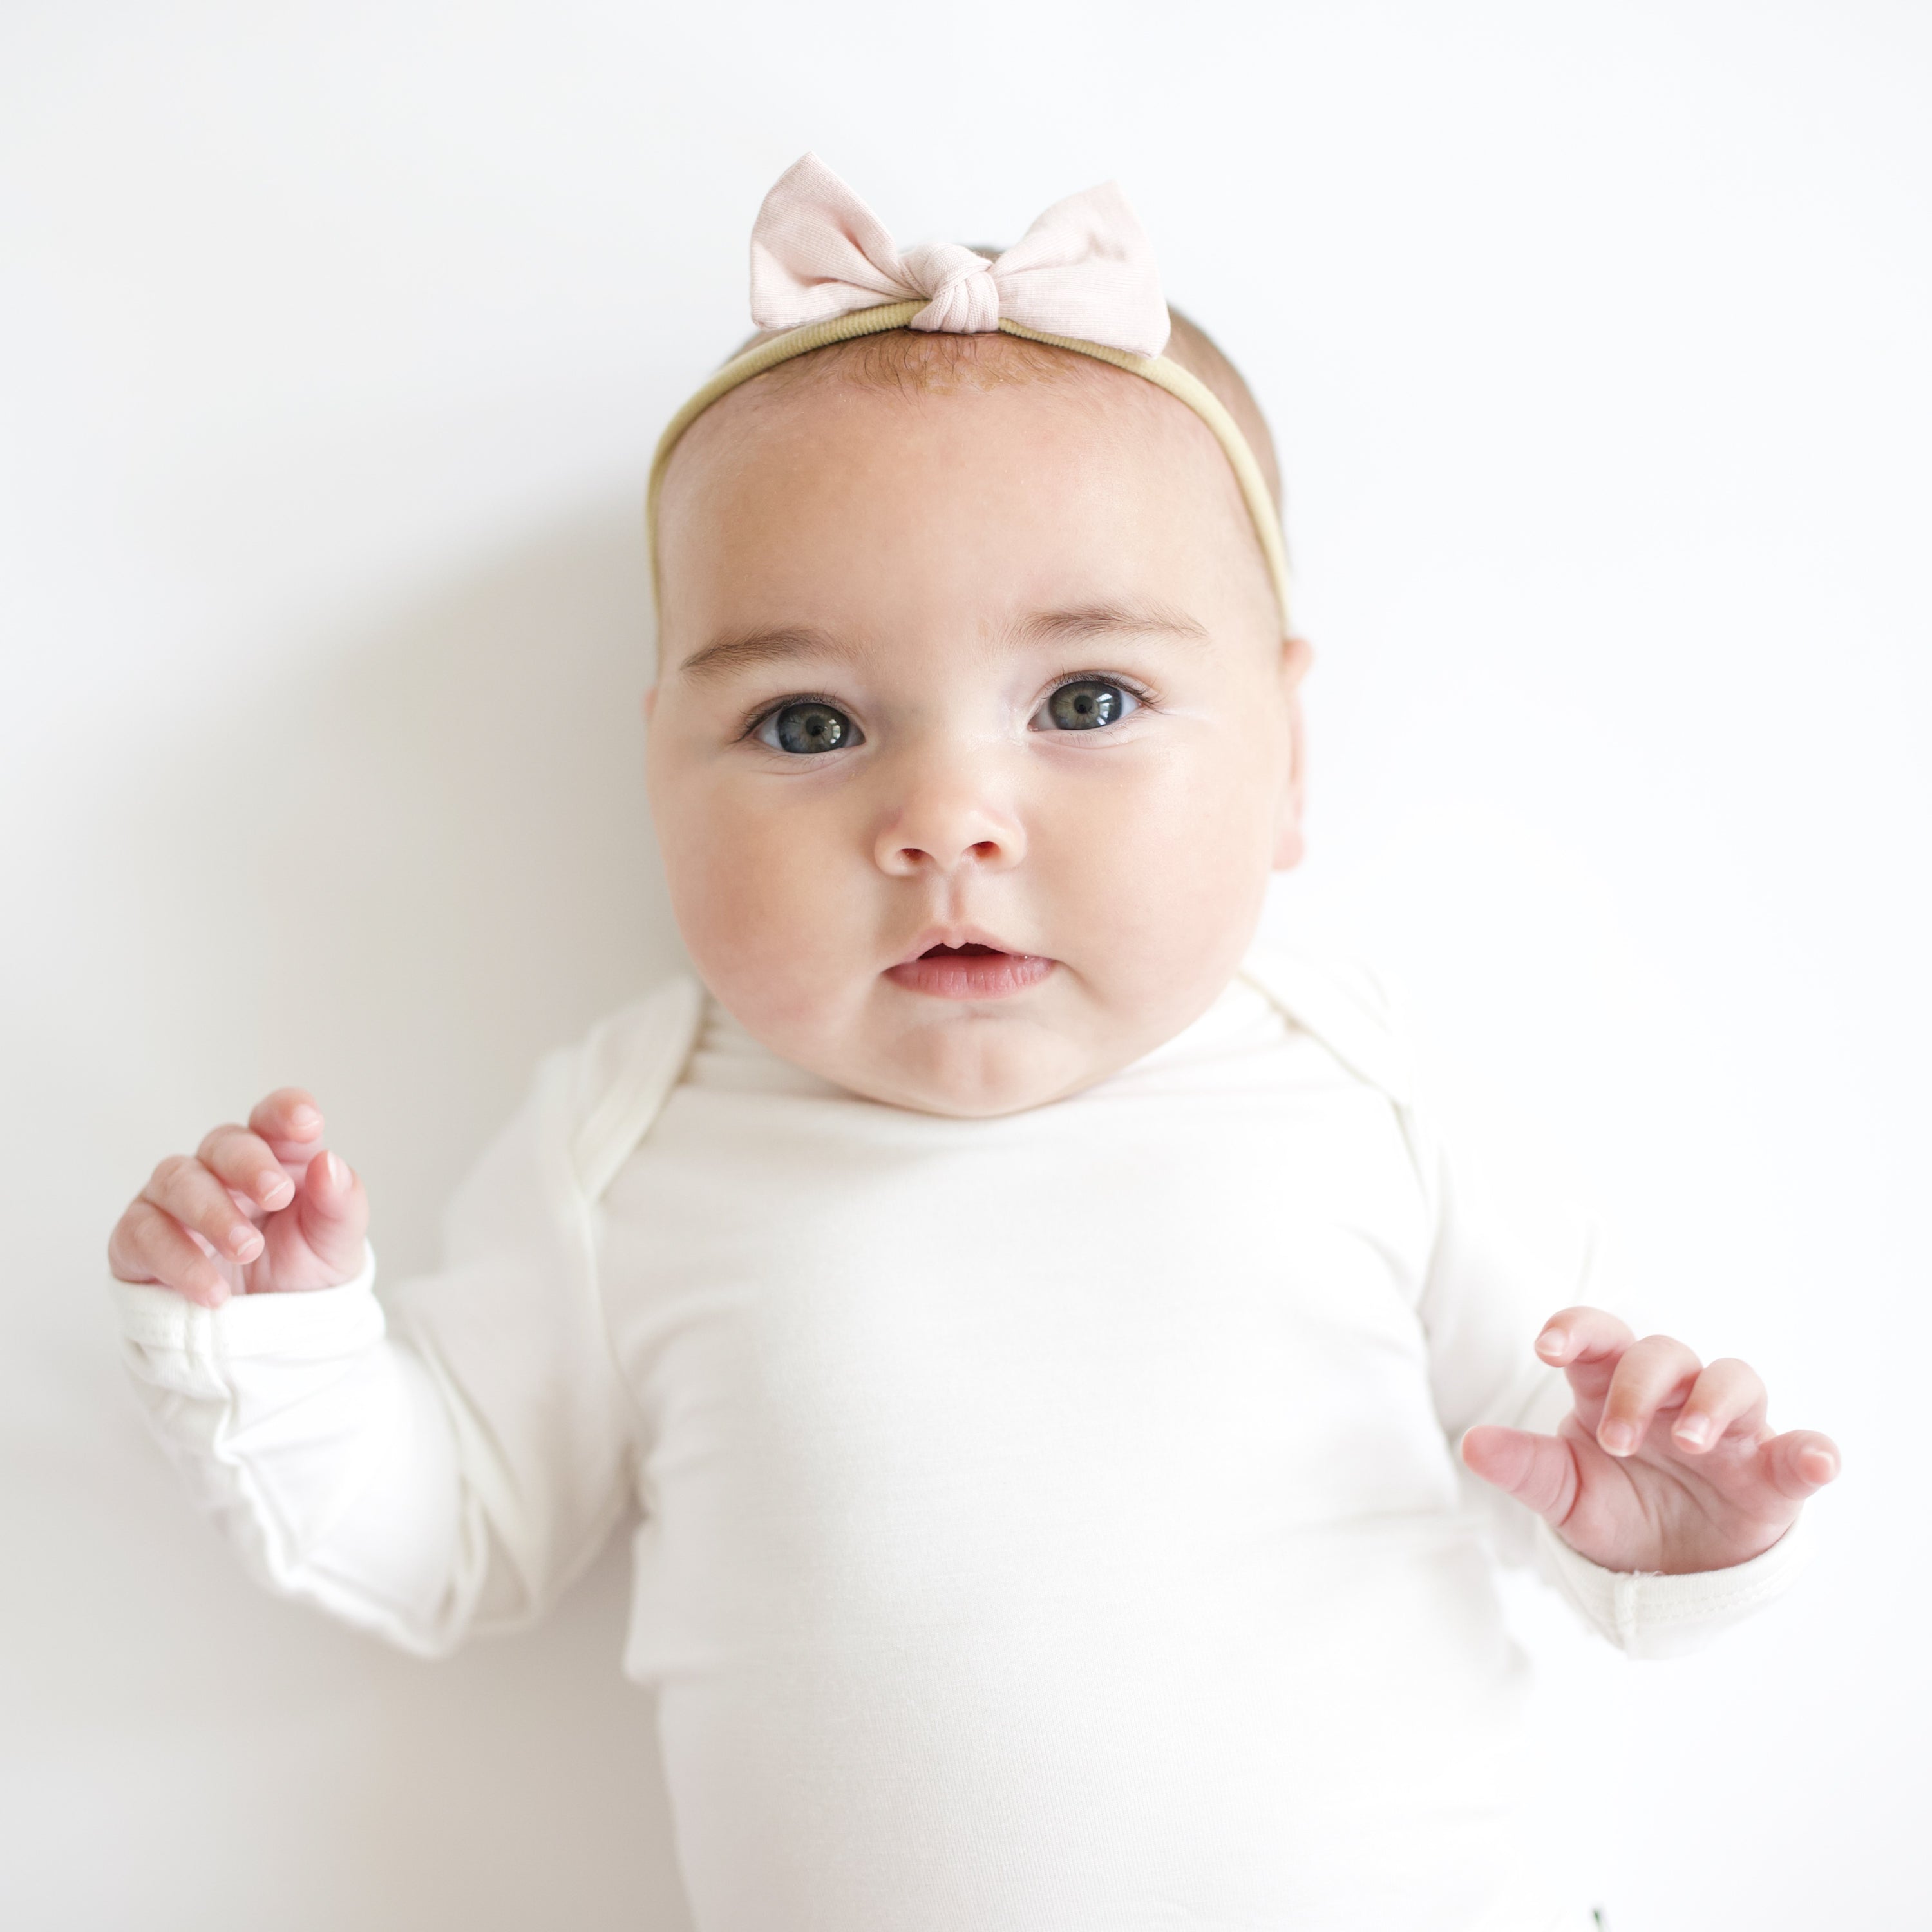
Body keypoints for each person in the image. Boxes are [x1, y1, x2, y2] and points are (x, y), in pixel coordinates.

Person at [105, 155, 1840, 1931]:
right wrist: (278, 1348)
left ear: (1288, 764)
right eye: (806, 721)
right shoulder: (631, 1141)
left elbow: (1577, 1491)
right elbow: (450, 1538)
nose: (945, 817)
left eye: (1087, 702)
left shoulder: (1368, 1090)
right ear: (657, 771)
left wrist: (1683, 1540)